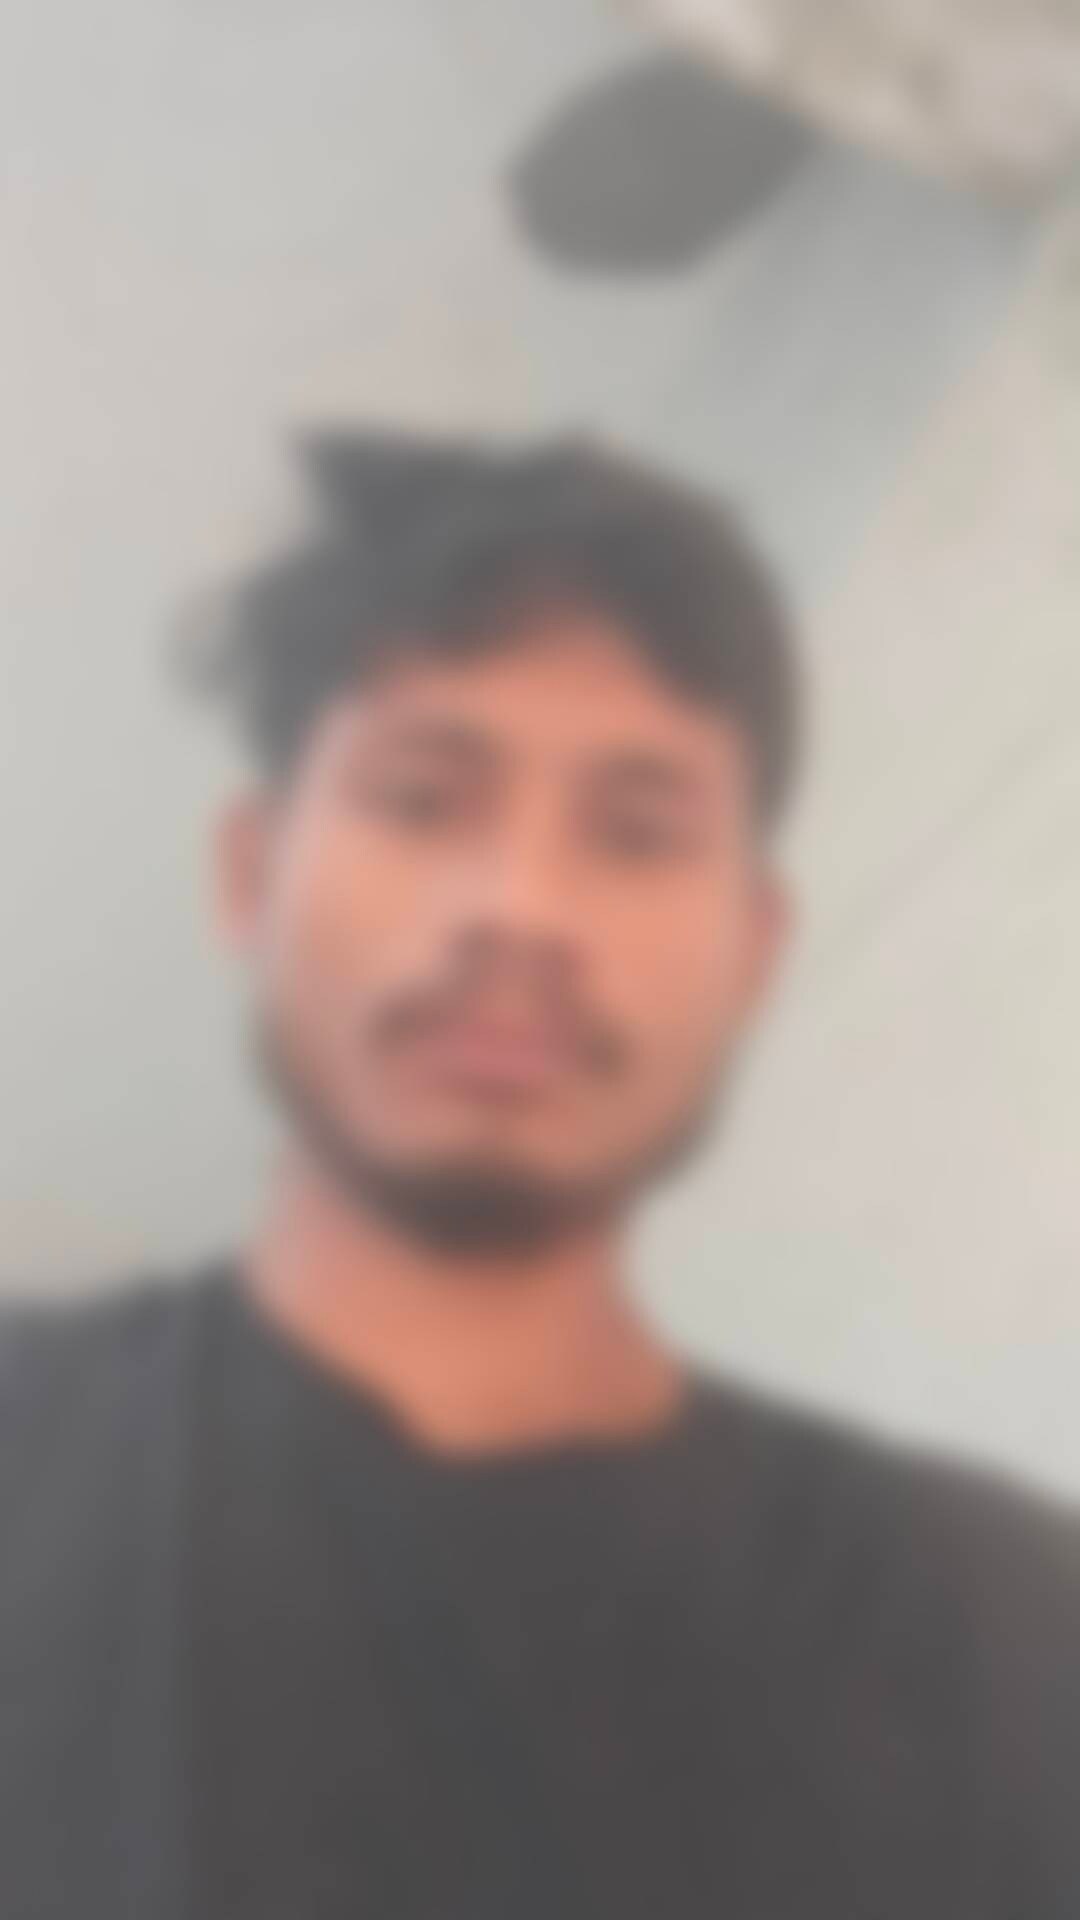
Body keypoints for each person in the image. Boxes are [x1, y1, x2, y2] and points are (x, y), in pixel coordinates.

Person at [1, 430, 1077, 1920]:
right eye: (423, 798)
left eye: (636, 833)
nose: (521, 907)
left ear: (751, 949)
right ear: (253, 873)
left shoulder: (1012, 1649)